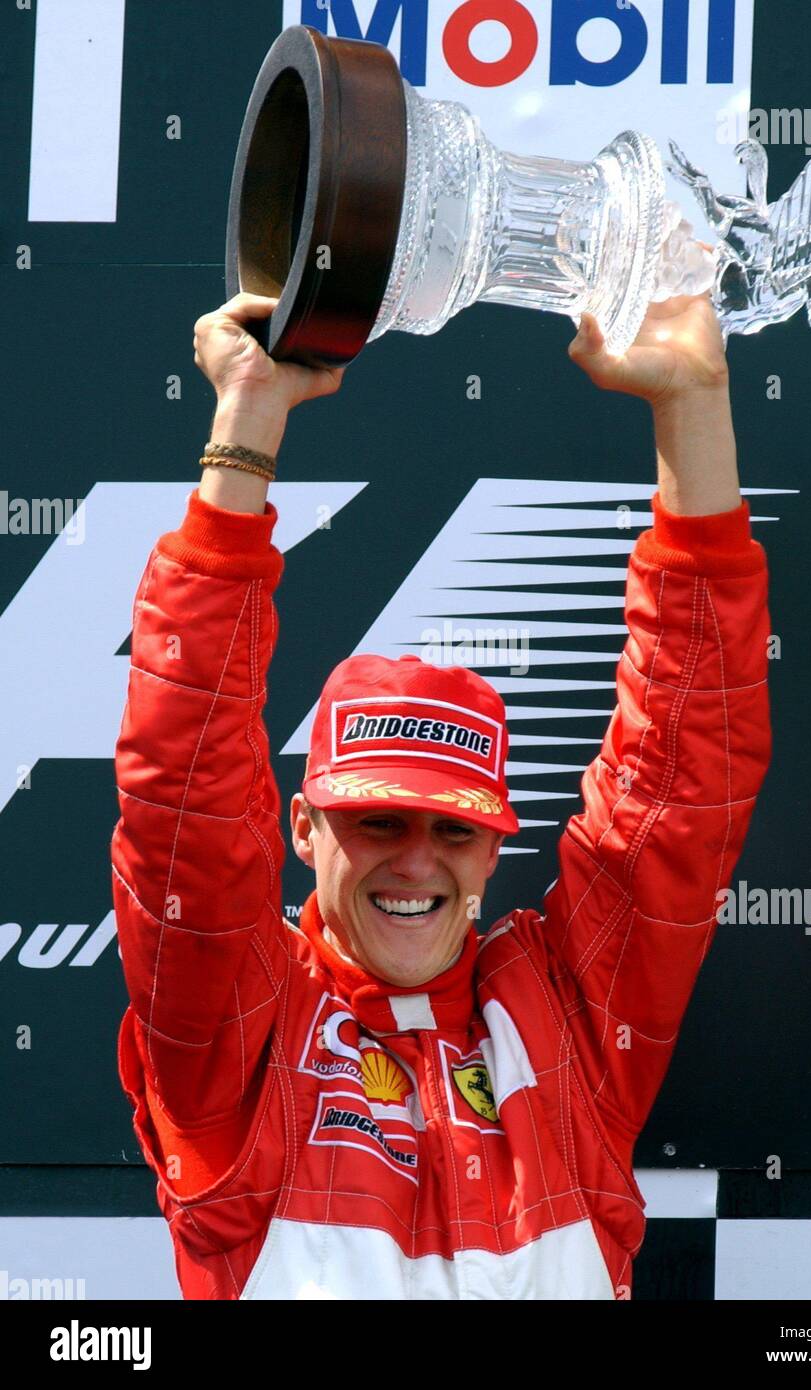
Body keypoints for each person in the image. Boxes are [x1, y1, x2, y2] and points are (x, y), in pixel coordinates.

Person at [111, 285, 771, 1300]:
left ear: (492, 845)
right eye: (378, 819)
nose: (416, 859)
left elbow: (685, 787)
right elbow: (185, 804)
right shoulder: (244, 1040)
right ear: (304, 826)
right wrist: (247, 420)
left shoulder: (565, 1022)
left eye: (454, 829)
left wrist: (692, 406)